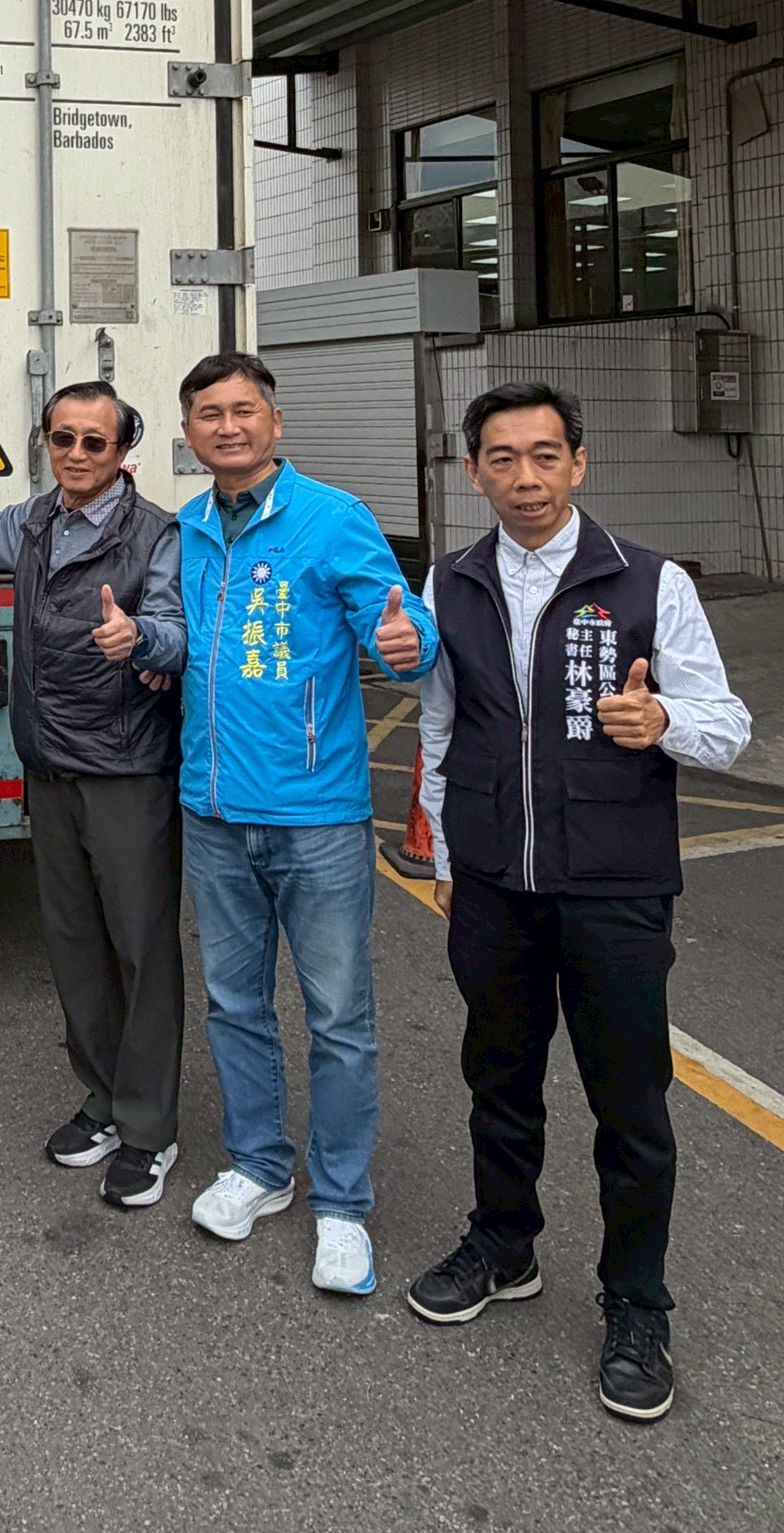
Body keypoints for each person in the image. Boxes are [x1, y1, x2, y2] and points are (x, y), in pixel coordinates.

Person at [406, 380, 750, 1421]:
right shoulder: (451, 581)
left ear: (579, 463)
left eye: (545, 455)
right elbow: (440, 723)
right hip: (492, 884)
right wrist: (444, 850)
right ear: (473, 474)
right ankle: (502, 1246)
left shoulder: (647, 581)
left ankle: (636, 1304)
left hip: (614, 886)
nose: (526, 478)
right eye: (503, 459)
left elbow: (728, 725)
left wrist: (665, 724)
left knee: (629, 1103)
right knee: (499, 1079)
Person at [0, 380, 188, 1207]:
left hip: (124, 769)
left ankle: (150, 1128)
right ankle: (103, 1098)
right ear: (46, 443)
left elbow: (175, 628)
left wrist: (141, 637)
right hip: (48, 763)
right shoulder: (35, 521)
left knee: (141, 950)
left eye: (95, 441)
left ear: (123, 450)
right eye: (63, 438)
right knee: (74, 942)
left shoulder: (157, 534)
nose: (77, 454)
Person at [175, 350, 437, 1296]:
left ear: (275, 423)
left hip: (316, 817)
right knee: (234, 1003)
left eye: (244, 410)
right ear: (190, 432)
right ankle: (259, 1166)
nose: (229, 426)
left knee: (338, 1017)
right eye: (210, 413)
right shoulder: (186, 528)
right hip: (212, 812)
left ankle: (342, 1204)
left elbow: (399, 627)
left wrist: (408, 642)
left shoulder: (333, 517)